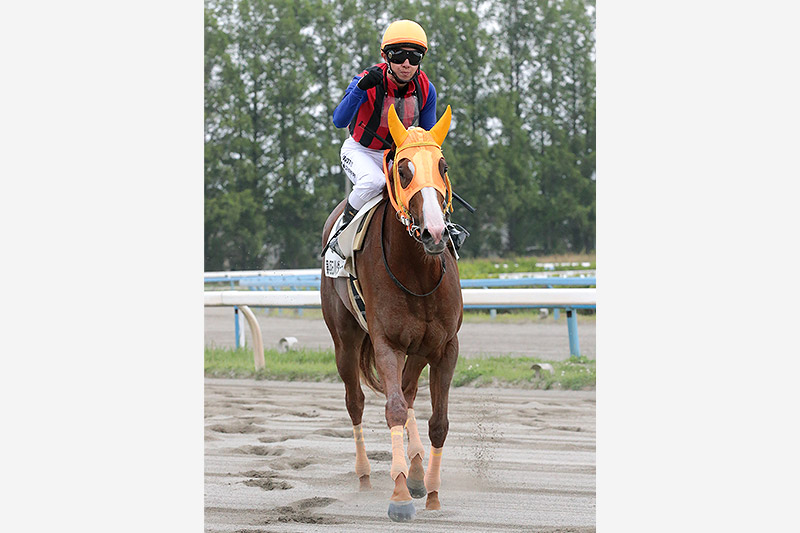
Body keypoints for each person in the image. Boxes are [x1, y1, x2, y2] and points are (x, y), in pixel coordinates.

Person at [324, 19, 438, 259]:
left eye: (414, 57)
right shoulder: (365, 80)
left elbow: (428, 139)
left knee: (429, 183)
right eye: (399, 56)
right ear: (386, 56)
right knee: (374, 182)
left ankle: (444, 230)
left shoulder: (426, 89)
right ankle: (341, 232)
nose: (406, 64)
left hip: (396, 156)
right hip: (361, 150)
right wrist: (360, 89)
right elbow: (339, 120)